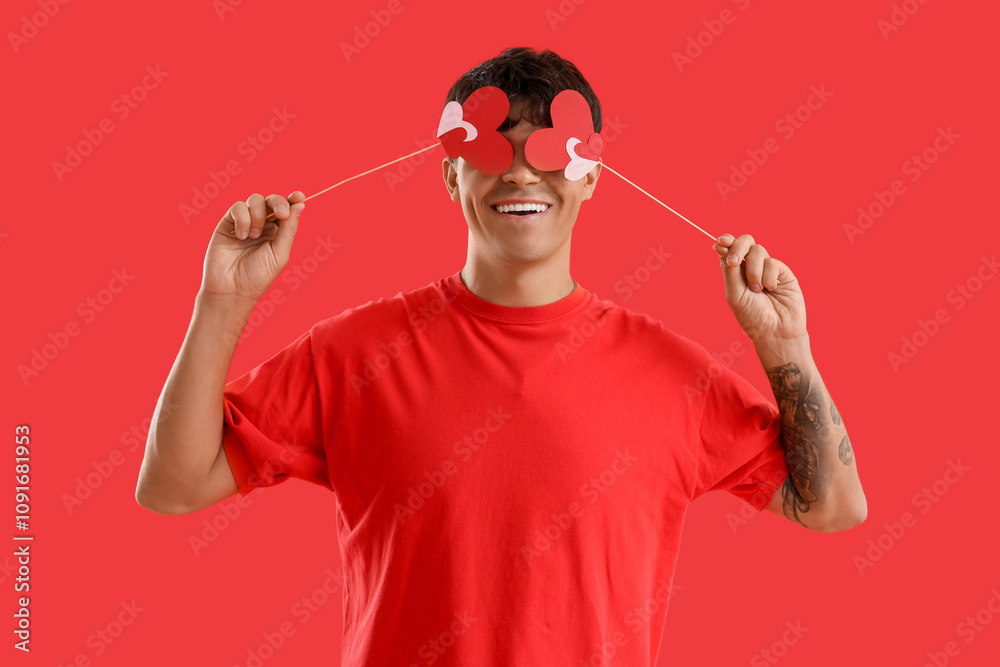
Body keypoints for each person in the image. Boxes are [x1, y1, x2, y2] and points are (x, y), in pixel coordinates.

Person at [136, 46, 866, 666]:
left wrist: (783, 345)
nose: (521, 172)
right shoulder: (352, 353)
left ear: (592, 175)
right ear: (450, 172)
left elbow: (831, 505)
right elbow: (173, 484)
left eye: (551, 149)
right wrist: (222, 299)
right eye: (493, 148)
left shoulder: (675, 374)